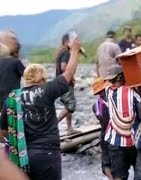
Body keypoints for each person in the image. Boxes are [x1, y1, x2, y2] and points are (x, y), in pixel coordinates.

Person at [0, 38, 81, 180]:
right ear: (43, 78)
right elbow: (68, 74)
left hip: (22, 157)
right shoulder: (47, 90)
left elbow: (3, 133)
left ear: (25, 79)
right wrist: (74, 51)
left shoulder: (11, 99)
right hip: (48, 155)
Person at [104, 64, 141, 180]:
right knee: (140, 173)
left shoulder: (107, 92)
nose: (111, 82)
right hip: (133, 141)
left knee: (119, 176)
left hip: (114, 141)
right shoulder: (132, 92)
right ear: (122, 77)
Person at [0, 31, 25, 143]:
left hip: (1, 98)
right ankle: (13, 146)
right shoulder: (16, 62)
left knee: (2, 123)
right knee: (14, 123)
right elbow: (28, 75)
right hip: (12, 98)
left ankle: (3, 143)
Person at [56, 33, 79, 135]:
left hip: (61, 82)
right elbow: (63, 67)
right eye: (73, 41)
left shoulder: (61, 51)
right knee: (70, 106)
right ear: (67, 42)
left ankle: (69, 128)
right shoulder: (66, 52)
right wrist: (71, 76)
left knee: (67, 104)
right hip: (65, 83)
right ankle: (53, 124)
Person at [91, 78, 112, 179]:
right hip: (118, 135)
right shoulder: (115, 99)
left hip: (105, 135)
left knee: (106, 165)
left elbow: (103, 120)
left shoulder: (95, 106)